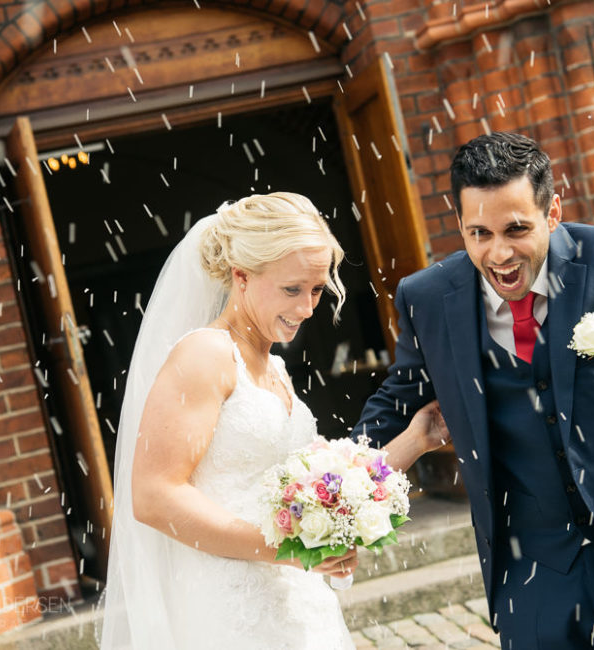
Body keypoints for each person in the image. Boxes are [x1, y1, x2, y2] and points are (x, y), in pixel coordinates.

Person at [354, 132, 594, 649]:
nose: (499, 253)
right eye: (479, 233)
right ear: (460, 224)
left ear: (552, 211)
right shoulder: (426, 298)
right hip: (533, 576)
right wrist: (332, 488)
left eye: (516, 229)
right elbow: (395, 403)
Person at [98, 192, 442, 649]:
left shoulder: (274, 366)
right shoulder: (205, 355)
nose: (307, 308)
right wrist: (289, 549)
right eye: (292, 289)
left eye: (316, 290)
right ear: (241, 276)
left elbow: (326, 486)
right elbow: (153, 497)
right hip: (231, 605)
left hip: (296, 599)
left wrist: (418, 438)